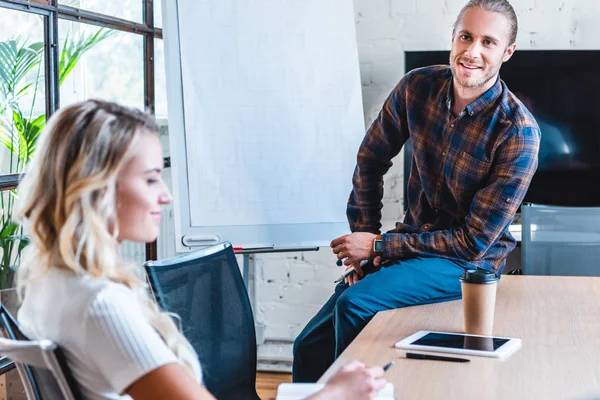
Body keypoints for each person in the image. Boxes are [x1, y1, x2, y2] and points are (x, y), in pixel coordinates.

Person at [15, 100, 387, 399]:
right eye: (150, 179)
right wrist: (336, 393)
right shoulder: (101, 305)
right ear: (96, 190)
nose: (166, 195)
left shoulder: (45, 284)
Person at [293, 0, 541, 382]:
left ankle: (358, 391)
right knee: (307, 345)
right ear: (453, 37)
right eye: (466, 36)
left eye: (488, 42)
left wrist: (378, 248)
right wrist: (364, 241)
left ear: (507, 52)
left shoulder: (517, 132)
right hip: (414, 243)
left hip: (468, 264)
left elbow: (473, 242)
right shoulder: (418, 86)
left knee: (356, 303)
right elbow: (370, 158)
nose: (472, 51)